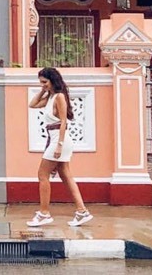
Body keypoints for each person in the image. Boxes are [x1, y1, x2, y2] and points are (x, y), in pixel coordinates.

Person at [26, 66, 93, 228]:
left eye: (45, 82)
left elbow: (63, 122)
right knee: (66, 176)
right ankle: (82, 211)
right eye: (41, 82)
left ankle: (44, 213)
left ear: (53, 80)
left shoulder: (59, 97)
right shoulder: (51, 97)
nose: (43, 85)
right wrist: (43, 90)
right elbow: (32, 104)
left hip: (59, 140)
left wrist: (59, 145)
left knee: (42, 174)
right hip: (54, 138)